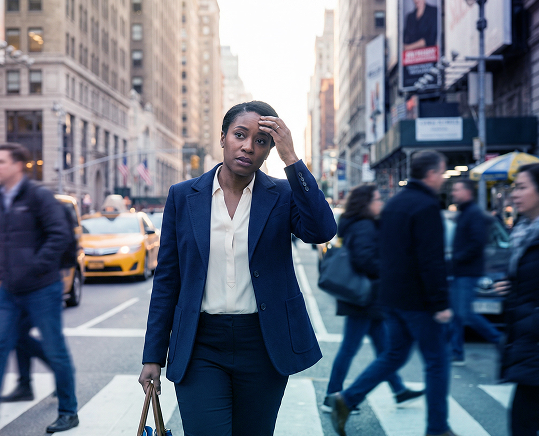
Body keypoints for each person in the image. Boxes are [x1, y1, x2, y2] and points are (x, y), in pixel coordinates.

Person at [138, 101, 337, 436]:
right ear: (223, 138)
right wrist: (153, 354)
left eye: (261, 141)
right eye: (240, 135)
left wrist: (293, 159)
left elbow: (321, 230)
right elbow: (168, 280)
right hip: (200, 344)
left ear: (269, 151)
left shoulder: (282, 195)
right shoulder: (183, 196)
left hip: (263, 342)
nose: (248, 146)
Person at [0, 143, 79, 435]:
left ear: (18, 165)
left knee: (55, 349)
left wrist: (36, 266)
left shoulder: (38, 196)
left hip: (42, 287)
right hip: (9, 289)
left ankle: (69, 411)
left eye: (1, 162)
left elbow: (59, 235)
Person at [331, 150, 457, 436]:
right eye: (442, 172)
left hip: (391, 298)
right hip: (419, 301)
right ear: (431, 174)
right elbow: (431, 259)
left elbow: (388, 253)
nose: (443, 178)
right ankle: (437, 428)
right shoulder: (426, 206)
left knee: (394, 355)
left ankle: (346, 399)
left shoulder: (395, 204)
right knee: (437, 361)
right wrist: (440, 302)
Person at [322, 184, 423, 413]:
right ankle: (331, 395)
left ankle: (398, 390)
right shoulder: (365, 226)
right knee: (351, 348)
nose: (381, 203)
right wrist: (390, 269)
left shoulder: (364, 224)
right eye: (377, 199)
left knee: (384, 348)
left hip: (370, 297)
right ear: (366, 203)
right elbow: (364, 259)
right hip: (364, 297)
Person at [495, 163, 539, 436]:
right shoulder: (523, 231)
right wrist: (513, 287)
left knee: (523, 424)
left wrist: (538, 322)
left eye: (522, 187)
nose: (514, 194)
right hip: (532, 345)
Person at [449, 180, 501, 366]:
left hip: (467, 271)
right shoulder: (465, 212)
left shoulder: (473, 214)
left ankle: (498, 340)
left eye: (457, 189)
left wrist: (457, 258)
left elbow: (476, 243)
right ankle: (456, 352)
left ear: (467, 191)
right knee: (457, 314)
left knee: (465, 314)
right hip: (461, 270)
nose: (453, 192)